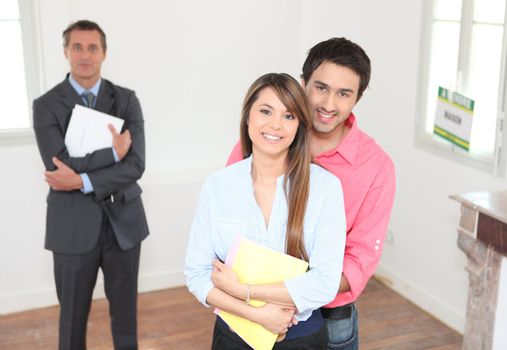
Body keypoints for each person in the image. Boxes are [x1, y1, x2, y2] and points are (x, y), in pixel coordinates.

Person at [227, 38, 396, 349]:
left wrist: (291, 293)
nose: (329, 104)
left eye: (344, 93)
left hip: (329, 318)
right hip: (249, 305)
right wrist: (257, 296)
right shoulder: (265, 137)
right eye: (321, 88)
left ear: (357, 98)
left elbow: (359, 259)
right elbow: (228, 220)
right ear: (303, 83)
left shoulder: (377, 166)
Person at [185, 73, 346, 349]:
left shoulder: (325, 188)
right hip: (233, 336)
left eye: (289, 116)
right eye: (265, 111)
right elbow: (197, 274)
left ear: (299, 126)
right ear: (248, 117)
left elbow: (325, 282)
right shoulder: (218, 186)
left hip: (301, 339)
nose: (275, 124)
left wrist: (242, 290)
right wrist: (256, 313)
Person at [32, 20, 148, 350]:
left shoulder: (126, 100)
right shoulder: (47, 105)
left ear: (104, 53)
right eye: (78, 47)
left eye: (92, 48)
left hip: (123, 225)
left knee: (126, 317)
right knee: (71, 319)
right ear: (66, 51)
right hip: (71, 226)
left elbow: (136, 165)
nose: (85, 55)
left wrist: (81, 179)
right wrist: (113, 152)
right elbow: (58, 164)